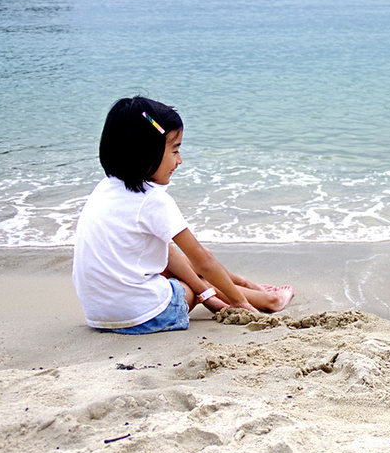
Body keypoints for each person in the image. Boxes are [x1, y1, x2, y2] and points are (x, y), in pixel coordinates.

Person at [72, 96, 292, 334]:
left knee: (171, 261)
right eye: (175, 150)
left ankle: (243, 287)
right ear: (147, 151)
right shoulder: (152, 200)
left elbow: (169, 255)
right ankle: (265, 300)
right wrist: (238, 303)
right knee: (190, 282)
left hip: (98, 314)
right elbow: (203, 261)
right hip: (143, 315)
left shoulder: (105, 188)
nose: (180, 160)